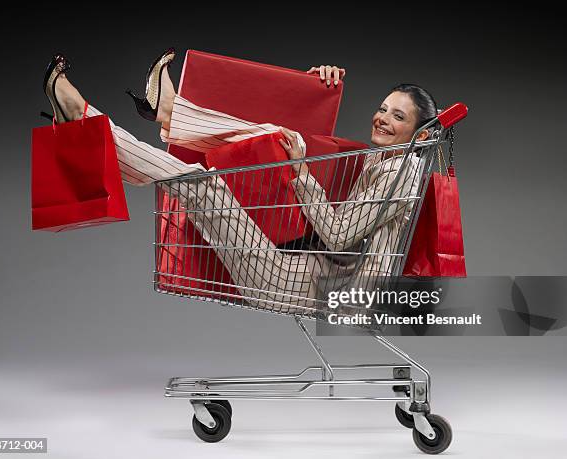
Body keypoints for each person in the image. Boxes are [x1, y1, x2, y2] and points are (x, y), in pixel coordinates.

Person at [43, 51, 436, 314]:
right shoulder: (381, 162)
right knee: (281, 138)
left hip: (311, 287)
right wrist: (317, 87)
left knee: (200, 184)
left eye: (399, 117)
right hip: (304, 270)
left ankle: (90, 118)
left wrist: (299, 172)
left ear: (419, 135)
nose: (383, 118)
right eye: (383, 108)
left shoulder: (401, 177)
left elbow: (336, 234)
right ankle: (161, 113)